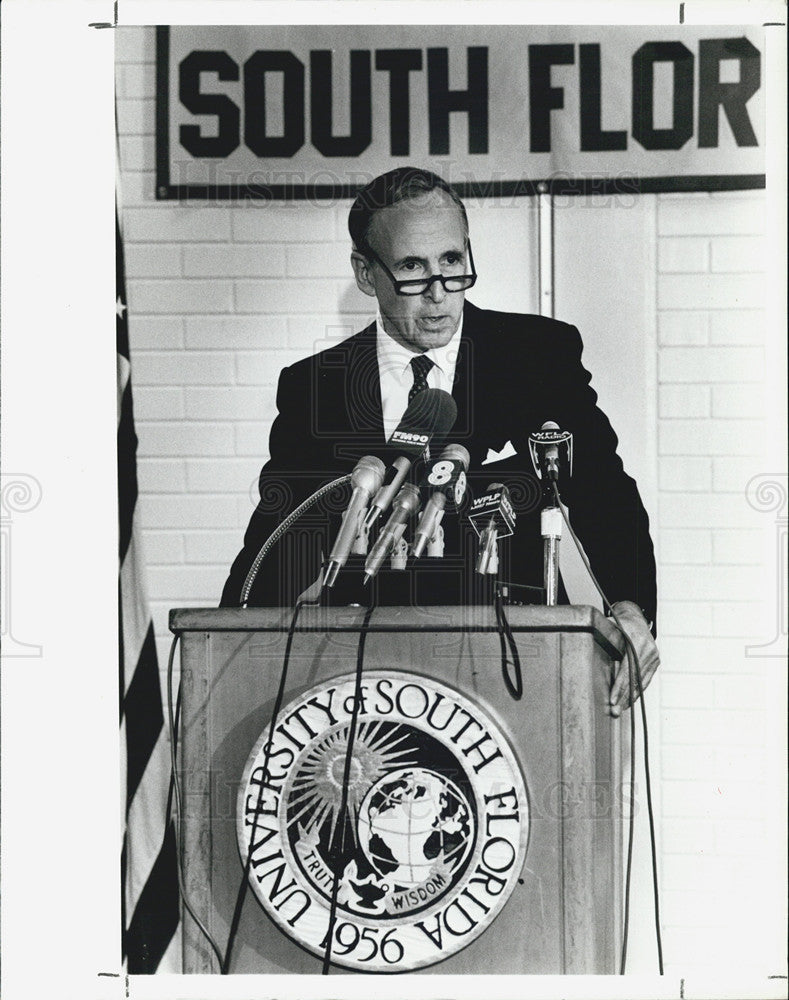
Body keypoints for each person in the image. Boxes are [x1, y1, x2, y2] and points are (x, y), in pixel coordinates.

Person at [221, 167, 659, 715]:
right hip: (361, 683)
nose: (438, 294)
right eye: (411, 269)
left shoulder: (535, 355)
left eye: (452, 263)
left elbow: (604, 492)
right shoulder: (314, 386)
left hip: (517, 669)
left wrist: (631, 607)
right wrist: (227, 653)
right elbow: (277, 537)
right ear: (365, 272)